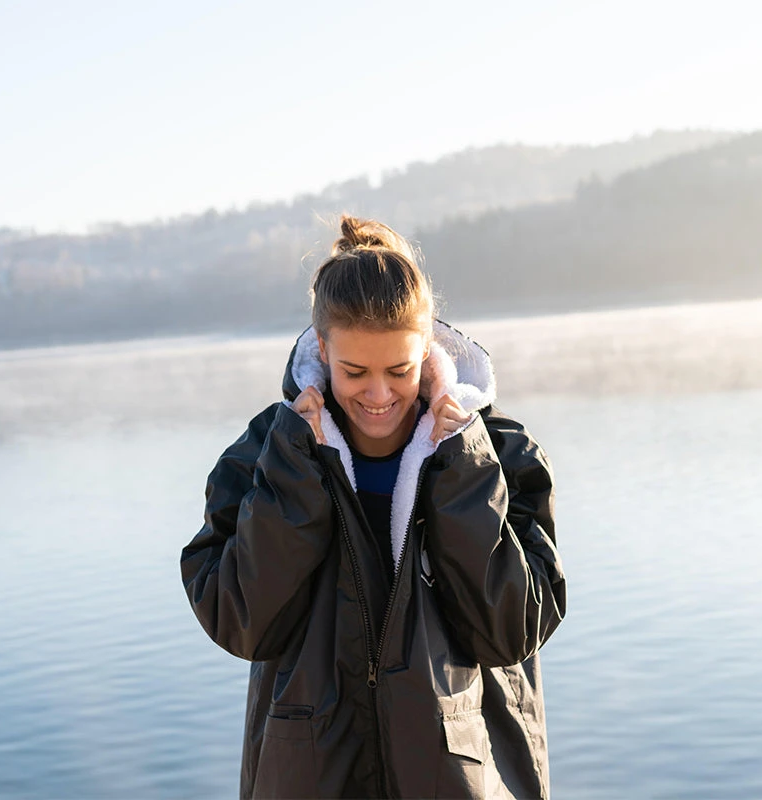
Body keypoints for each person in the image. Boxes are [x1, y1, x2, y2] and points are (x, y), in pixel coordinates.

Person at [179, 215, 567, 798]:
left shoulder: (497, 454)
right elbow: (242, 622)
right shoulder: (268, 453)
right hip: (311, 776)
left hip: (463, 778)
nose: (379, 395)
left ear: (428, 351)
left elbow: (513, 631)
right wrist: (294, 471)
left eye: (400, 371)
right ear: (321, 350)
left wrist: (460, 468)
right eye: (354, 372)